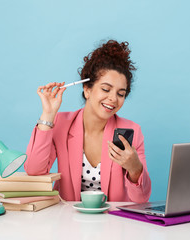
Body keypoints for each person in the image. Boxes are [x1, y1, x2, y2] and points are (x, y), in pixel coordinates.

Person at [24, 40, 151, 203]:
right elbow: (34, 170)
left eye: (121, 93)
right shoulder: (61, 124)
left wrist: (135, 168)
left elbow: (141, 199)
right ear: (87, 90)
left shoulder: (132, 130)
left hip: (114, 222)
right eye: (106, 89)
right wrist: (48, 115)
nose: (113, 98)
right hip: (67, 220)